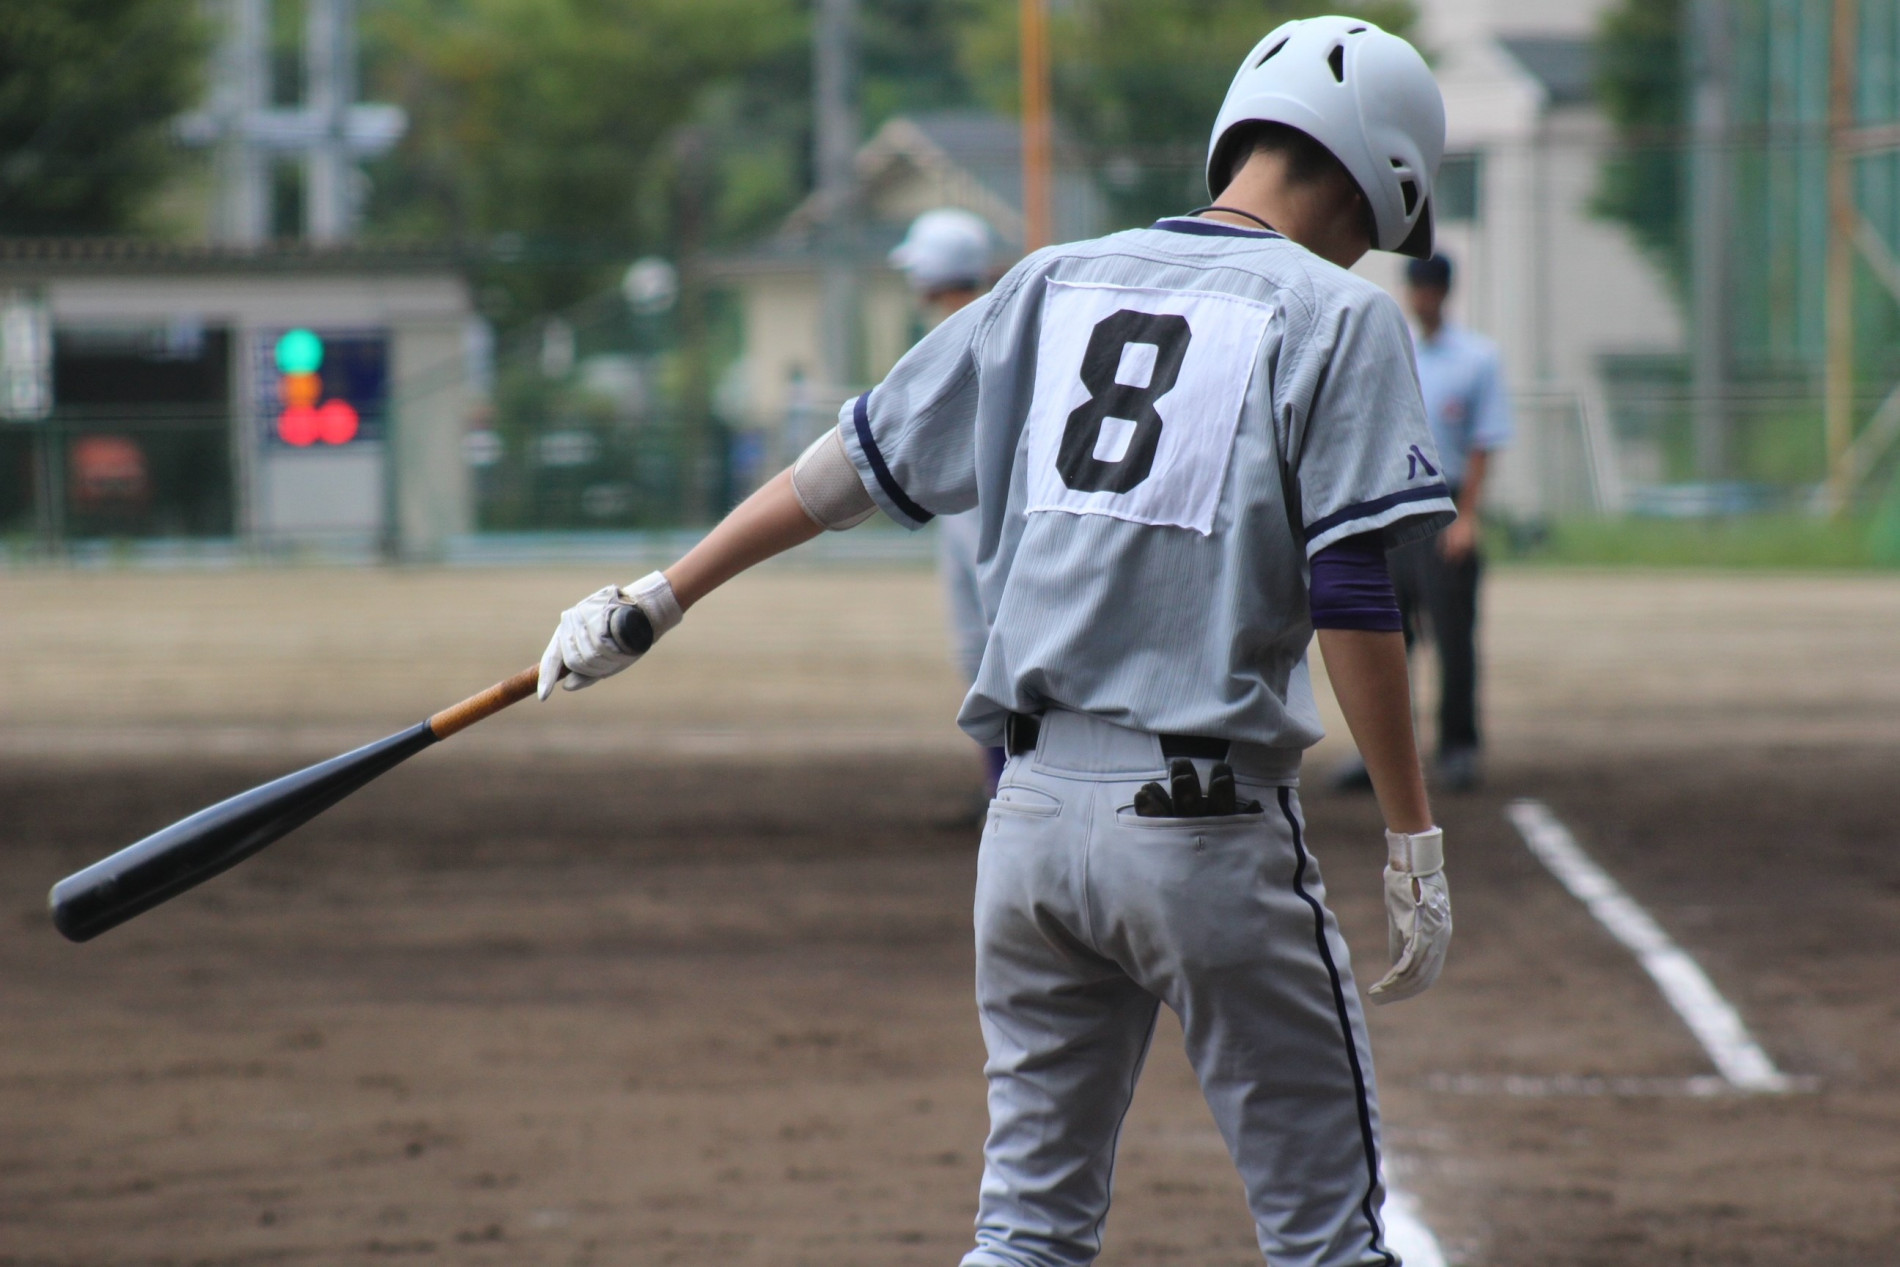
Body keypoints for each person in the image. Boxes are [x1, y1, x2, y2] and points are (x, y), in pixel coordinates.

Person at [536, 16, 1454, 1266]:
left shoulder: (1048, 280)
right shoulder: (1334, 315)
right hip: (1204, 832)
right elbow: (1350, 588)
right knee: (1327, 1242)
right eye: (1375, 224)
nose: (1366, 253)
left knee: (1025, 1232)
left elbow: (842, 466)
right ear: (1366, 174)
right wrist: (1411, 832)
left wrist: (660, 595)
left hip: (1023, 836)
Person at [1334, 253, 1510, 794]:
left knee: (1453, 636)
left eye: (1430, 289)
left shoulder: (1477, 359)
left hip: (1446, 507)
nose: (1422, 298)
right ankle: (1382, 754)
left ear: (1444, 293)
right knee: (1386, 634)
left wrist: (1469, 518)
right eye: (1416, 288)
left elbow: (1484, 443)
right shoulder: (1393, 351)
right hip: (1390, 504)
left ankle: (1458, 746)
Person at [890, 208, 1007, 799]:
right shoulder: (999, 321)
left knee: (987, 647)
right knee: (981, 648)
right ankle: (999, 789)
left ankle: (1009, 789)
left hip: (982, 512)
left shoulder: (964, 330)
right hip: (973, 511)